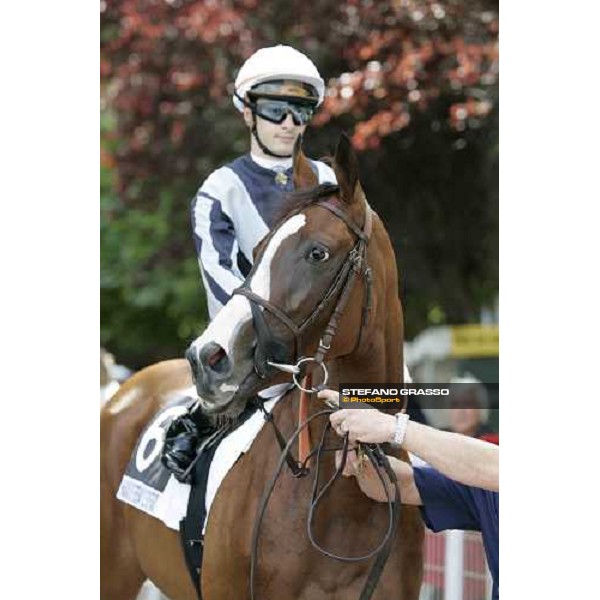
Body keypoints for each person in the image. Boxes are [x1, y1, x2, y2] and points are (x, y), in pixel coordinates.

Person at [191, 45, 336, 319]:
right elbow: (219, 276)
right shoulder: (219, 190)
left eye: (300, 111)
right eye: (275, 109)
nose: (289, 123)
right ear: (248, 114)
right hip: (248, 338)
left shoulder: (328, 179)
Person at [319, 388, 499, 599]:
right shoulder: (482, 486)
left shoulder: (490, 465)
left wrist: (394, 428)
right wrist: (360, 461)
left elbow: (491, 466)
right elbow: (405, 485)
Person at [448, 374, 499, 444]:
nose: (460, 411)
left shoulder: (494, 444)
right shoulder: (441, 441)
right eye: (455, 404)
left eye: (467, 404)